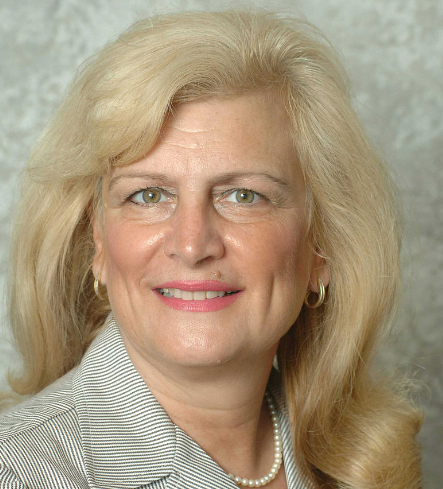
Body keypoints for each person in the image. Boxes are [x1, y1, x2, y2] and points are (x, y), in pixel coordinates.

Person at [0, 9, 422, 489]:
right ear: (98, 240)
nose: (192, 244)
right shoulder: (17, 472)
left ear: (322, 244)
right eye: (148, 196)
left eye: (243, 196)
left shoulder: (364, 466)